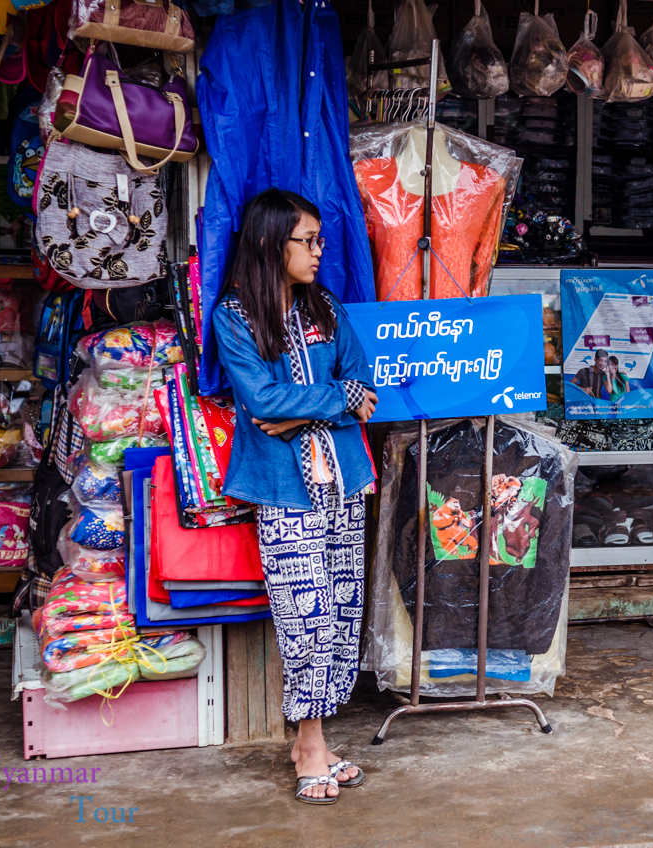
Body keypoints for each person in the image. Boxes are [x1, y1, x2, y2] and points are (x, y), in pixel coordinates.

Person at [213, 188, 378, 805]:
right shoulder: (235, 318)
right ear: (267, 242)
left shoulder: (327, 308)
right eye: (305, 241)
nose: (318, 251)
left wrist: (309, 408)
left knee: (339, 614)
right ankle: (309, 744)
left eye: (319, 240)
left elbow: (361, 382)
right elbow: (262, 402)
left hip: (345, 485)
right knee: (303, 617)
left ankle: (316, 738)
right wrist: (334, 403)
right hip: (286, 493)